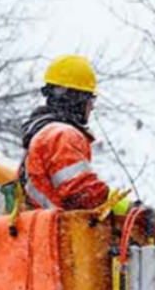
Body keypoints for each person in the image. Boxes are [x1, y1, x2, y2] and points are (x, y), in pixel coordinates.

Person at [18, 55, 111, 211]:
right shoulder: (62, 135)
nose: (92, 107)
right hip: (53, 233)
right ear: (77, 100)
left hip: (40, 229)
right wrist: (132, 210)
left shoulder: (43, 134)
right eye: (91, 99)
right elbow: (86, 194)